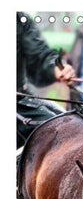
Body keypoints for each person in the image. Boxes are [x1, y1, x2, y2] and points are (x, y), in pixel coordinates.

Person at [17, 12, 75, 147]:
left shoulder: (18, 19)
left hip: (19, 103)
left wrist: (56, 69)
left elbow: (39, 57)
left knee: (64, 128)